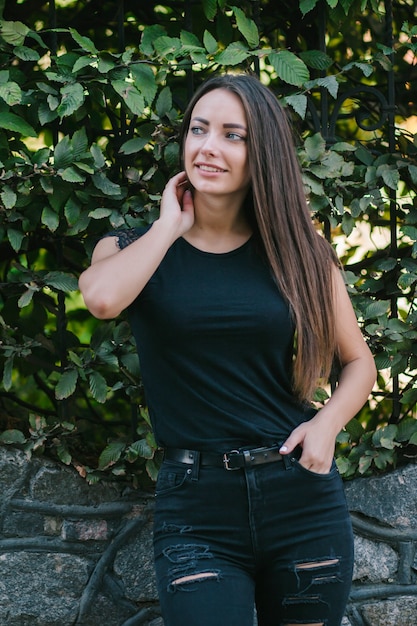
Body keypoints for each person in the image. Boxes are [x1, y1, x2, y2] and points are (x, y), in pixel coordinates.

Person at [79, 73, 376, 626]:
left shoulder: (301, 254)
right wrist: (170, 226)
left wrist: (327, 425)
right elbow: (100, 299)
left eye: (231, 135)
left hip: (301, 498)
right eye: (198, 129)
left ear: (260, 152)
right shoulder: (132, 247)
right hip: (197, 509)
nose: (207, 147)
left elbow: (359, 362)